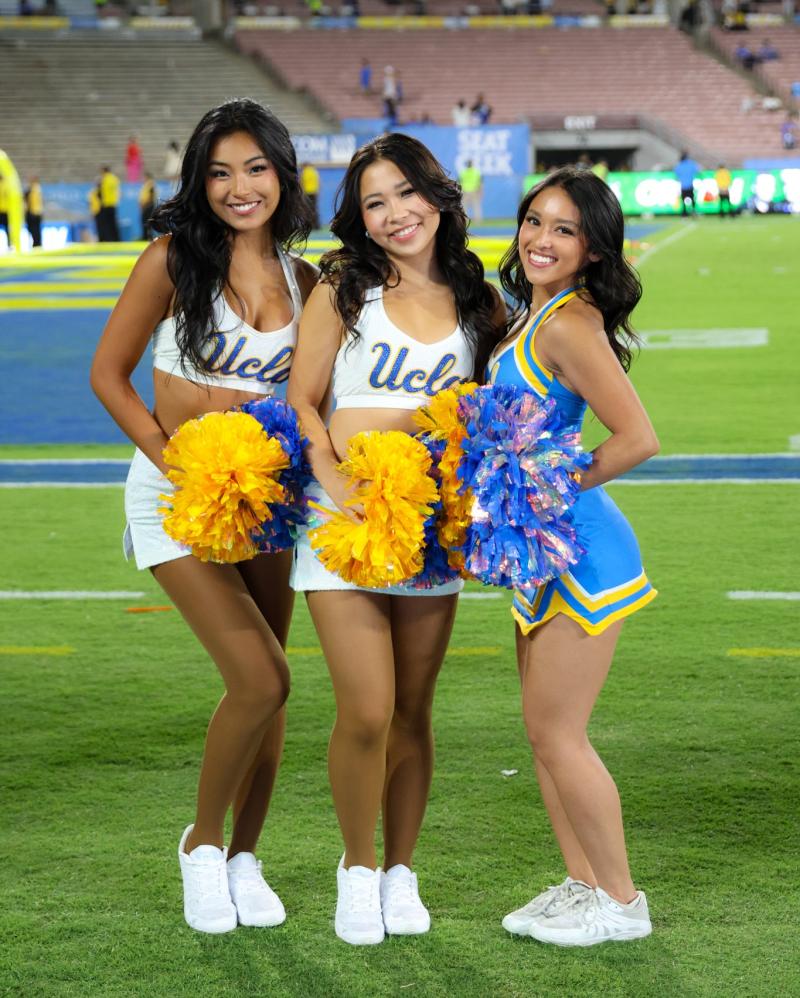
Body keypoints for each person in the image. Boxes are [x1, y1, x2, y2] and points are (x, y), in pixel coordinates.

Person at [90, 98, 317, 935]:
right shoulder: (171, 260)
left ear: (283, 175)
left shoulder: (308, 281)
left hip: (266, 502)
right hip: (175, 498)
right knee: (260, 677)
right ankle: (202, 845)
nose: (238, 187)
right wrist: (174, 461)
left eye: (255, 168)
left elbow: (316, 397)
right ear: (199, 181)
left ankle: (246, 858)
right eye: (219, 172)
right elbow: (109, 375)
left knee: (272, 687)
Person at [287, 134, 504, 946]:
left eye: (406, 193)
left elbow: (490, 410)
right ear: (361, 218)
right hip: (340, 523)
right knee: (368, 709)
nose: (394, 214)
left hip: (427, 530)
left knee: (413, 711)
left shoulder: (479, 301)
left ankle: (401, 871)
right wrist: (333, 479)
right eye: (374, 203)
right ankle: (357, 869)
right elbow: (304, 401)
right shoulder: (344, 289)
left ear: (437, 195)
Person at [491, 167, 658, 947]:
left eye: (564, 229)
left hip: (580, 550)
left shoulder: (569, 324)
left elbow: (638, 437)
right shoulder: (533, 315)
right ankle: (582, 885)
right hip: (539, 552)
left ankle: (622, 904)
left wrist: (549, 486)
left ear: (592, 249)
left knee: (560, 733)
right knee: (541, 733)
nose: (541, 239)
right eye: (534, 221)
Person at [98, 165, 121, 241]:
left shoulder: (104, 179)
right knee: (114, 223)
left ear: (104, 171)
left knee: (107, 224)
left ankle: (109, 239)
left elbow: (102, 192)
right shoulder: (114, 179)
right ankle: (116, 239)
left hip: (107, 204)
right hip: (113, 204)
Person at [674, 151, 700, 215]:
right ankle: (693, 211)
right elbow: (697, 171)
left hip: (683, 186)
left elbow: (676, 176)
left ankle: (684, 213)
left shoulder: (679, 165)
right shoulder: (691, 164)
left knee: (683, 201)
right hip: (690, 185)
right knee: (692, 199)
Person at [459, 158, 483, 222]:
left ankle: (464, 220)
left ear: (467, 164)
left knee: (464, 207)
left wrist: (460, 192)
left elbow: (459, 183)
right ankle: (478, 220)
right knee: (476, 206)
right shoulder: (476, 172)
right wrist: (481, 192)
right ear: (472, 164)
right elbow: (480, 183)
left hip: (465, 191)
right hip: (474, 191)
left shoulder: (463, 172)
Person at [300, 161, 320, 229]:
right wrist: (318, 191)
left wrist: (301, 193)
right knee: (314, 209)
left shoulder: (304, 172)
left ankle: (309, 225)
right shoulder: (314, 171)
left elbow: (301, 183)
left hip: (307, 193)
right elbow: (319, 182)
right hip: (314, 192)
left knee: (307, 209)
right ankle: (316, 225)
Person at [24, 175, 43, 248]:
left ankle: (36, 245)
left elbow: (29, 201)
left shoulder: (33, 189)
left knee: (34, 230)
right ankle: (37, 245)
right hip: (37, 213)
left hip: (33, 213)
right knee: (36, 231)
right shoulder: (38, 189)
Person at [138, 171, 156, 240]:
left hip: (148, 206)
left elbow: (151, 197)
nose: (143, 178)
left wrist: (144, 205)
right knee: (144, 222)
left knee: (147, 222)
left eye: (144, 177)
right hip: (145, 206)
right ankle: (145, 236)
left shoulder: (150, 185)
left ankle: (148, 237)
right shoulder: (146, 185)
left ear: (147, 177)